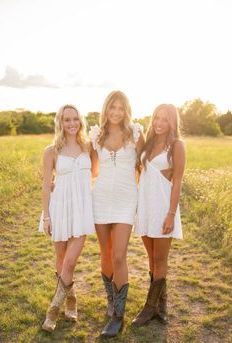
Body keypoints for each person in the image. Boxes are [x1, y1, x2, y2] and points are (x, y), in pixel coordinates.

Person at [89, 90, 144, 337]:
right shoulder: (96, 135)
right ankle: (111, 303)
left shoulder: (135, 133)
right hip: (100, 197)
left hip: (125, 199)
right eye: (112, 107)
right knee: (106, 253)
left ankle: (117, 316)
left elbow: (142, 167)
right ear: (106, 109)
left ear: (126, 110)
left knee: (120, 256)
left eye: (121, 108)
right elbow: (91, 170)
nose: (116, 112)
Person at [39, 104, 94, 332]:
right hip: (59, 207)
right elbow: (45, 185)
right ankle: (71, 299)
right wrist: (46, 216)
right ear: (60, 123)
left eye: (75, 119)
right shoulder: (51, 151)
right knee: (61, 260)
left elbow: (96, 173)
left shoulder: (89, 147)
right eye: (66, 120)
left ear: (80, 121)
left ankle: (53, 309)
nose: (71, 123)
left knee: (70, 262)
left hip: (81, 209)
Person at [132, 104, 185, 327]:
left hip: (163, 207)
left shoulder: (177, 146)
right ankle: (161, 304)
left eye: (165, 119)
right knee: (152, 259)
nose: (159, 123)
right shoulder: (148, 142)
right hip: (145, 206)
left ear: (172, 122)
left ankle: (149, 308)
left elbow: (178, 181)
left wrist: (171, 214)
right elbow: (135, 169)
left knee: (160, 259)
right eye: (156, 119)